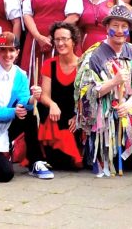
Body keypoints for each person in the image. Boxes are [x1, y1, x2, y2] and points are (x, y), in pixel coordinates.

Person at [75, 4, 132, 175]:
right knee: (108, 126)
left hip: (128, 106)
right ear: (107, 28)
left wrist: (128, 105)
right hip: (102, 112)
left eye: (124, 26)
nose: (120, 31)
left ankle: (130, 153)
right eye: (115, 26)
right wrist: (113, 82)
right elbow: (87, 92)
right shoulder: (94, 56)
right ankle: (105, 154)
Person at [0, 32, 42, 181]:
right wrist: (13, 112)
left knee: (34, 112)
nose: (7, 54)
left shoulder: (21, 74)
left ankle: (36, 161)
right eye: (3, 50)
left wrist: (32, 99)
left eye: (11, 50)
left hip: (8, 125)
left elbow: (23, 102)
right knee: (5, 175)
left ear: (17, 52)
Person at [34, 22, 83, 171]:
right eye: (57, 40)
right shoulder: (49, 64)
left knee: (69, 164)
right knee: (58, 162)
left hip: (74, 118)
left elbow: (86, 98)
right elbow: (44, 96)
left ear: (73, 41)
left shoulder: (83, 65)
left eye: (64, 39)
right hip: (55, 115)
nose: (60, 43)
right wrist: (52, 104)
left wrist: (79, 116)